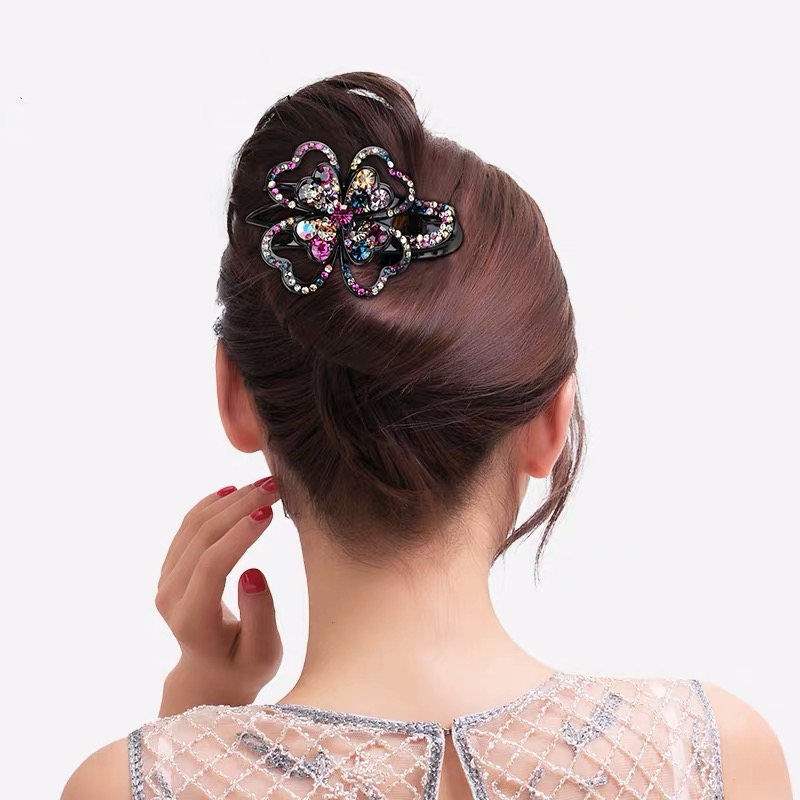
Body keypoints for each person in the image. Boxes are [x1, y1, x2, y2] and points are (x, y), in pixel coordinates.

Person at [62, 72, 791, 800]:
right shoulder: (709, 755)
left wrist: (193, 724)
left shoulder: (126, 785)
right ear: (550, 421)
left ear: (234, 396)